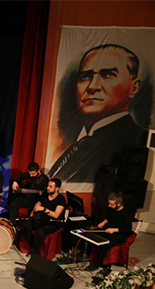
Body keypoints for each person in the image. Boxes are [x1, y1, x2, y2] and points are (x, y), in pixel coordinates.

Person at [49, 44, 148, 184]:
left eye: (108, 75)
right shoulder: (81, 142)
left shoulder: (132, 140)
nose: (92, 86)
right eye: (85, 77)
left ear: (134, 87)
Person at [85, 192, 133, 271]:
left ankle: (96, 264)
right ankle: (87, 255)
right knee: (91, 234)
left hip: (120, 234)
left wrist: (114, 230)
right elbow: (108, 218)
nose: (109, 206)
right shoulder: (112, 209)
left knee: (105, 243)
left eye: (111, 204)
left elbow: (128, 229)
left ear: (118, 204)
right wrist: (103, 222)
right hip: (109, 229)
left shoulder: (126, 213)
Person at [20, 178, 67, 257]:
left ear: (57, 189)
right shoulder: (45, 194)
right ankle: (34, 246)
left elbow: (56, 215)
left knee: (41, 232)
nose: (47, 188)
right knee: (24, 228)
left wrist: (44, 209)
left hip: (54, 222)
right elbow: (38, 203)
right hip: (43, 219)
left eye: (50, 187)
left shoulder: (61, 200)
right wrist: (33, 211)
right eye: (48, 186)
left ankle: (36, 254)